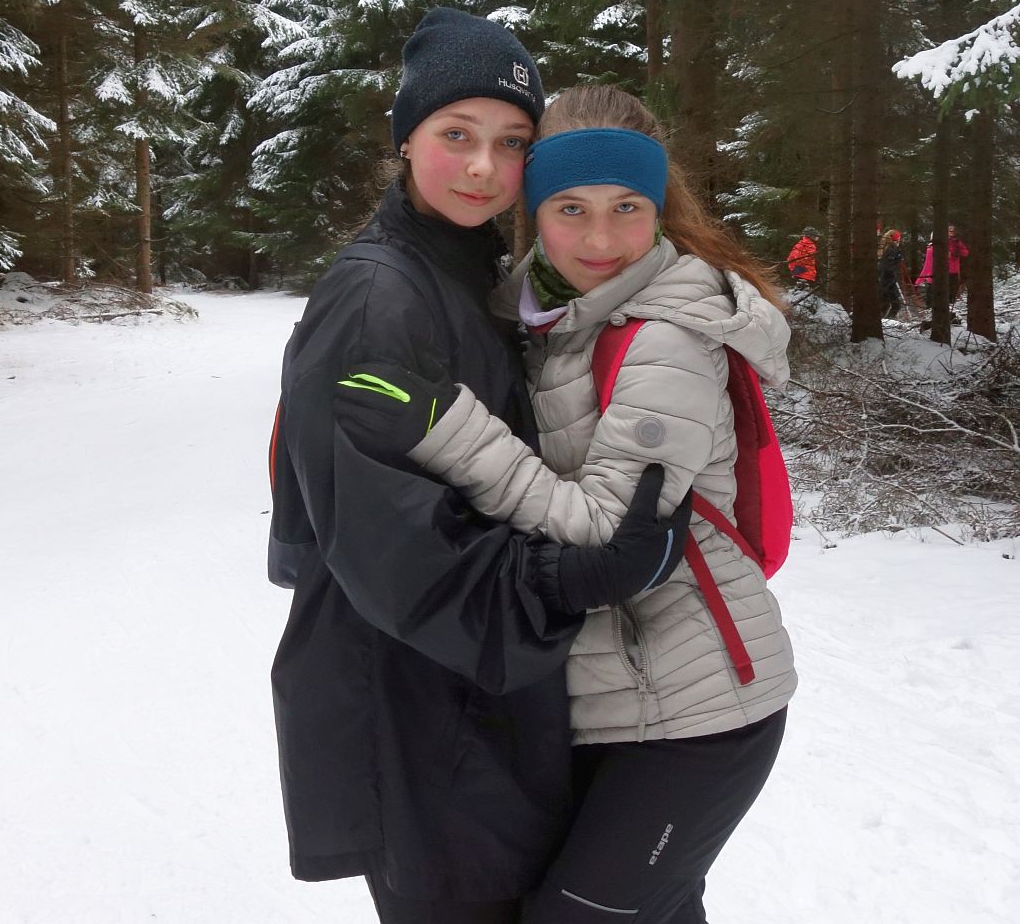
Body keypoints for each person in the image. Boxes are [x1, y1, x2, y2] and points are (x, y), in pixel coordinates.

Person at [269, 9, 692, 923]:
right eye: (456, 135)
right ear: (406, 139)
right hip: (423, 726)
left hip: (471, 707)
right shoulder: (379, 295)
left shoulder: (467, 270)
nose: (482, 168)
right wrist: (564, 578)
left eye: (511, 143)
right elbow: (388, 544)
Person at [338, 85, 796, 923]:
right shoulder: (547, 317)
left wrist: (447, 428)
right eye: (571, 208)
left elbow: (607, 534)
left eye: (627, 208)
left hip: (697, 713)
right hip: (607, 707)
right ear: (535, 213)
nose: (600, 240)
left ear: (658, 208)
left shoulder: (662, 336)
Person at [878, 228, 905, 317]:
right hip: (888, 281)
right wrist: (893, 275)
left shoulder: (887, 248)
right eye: (899, 238)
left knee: (885, 304)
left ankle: (884, 320)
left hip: (885, 280)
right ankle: (889, 320)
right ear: (896, 239)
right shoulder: (891, 249)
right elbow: (888, 266)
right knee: (895, 305)